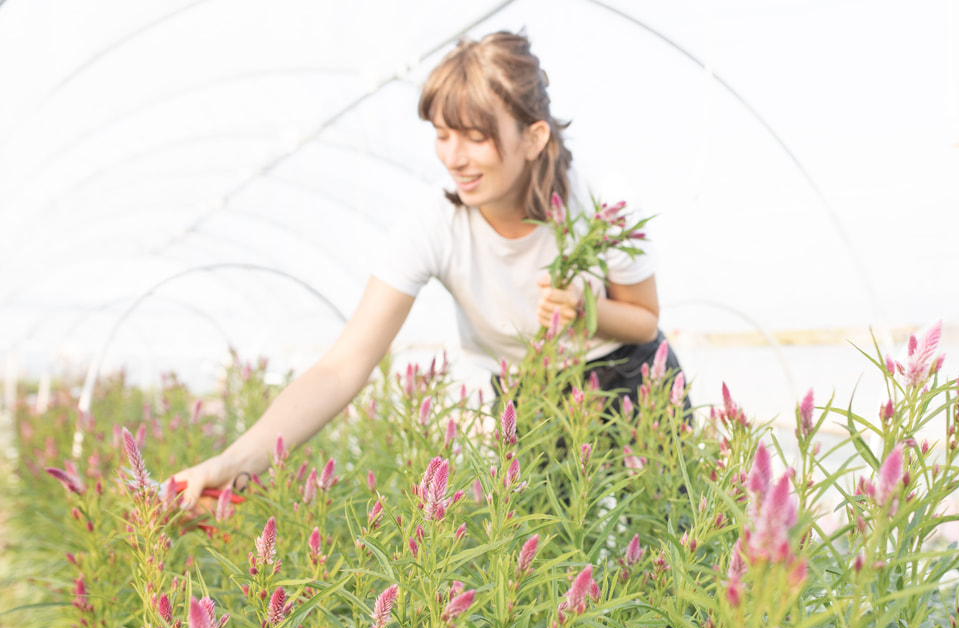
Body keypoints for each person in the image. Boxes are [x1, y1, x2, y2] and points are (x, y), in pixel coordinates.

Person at [173, 30, 683, 508]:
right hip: (532, 400)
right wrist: (232, 463)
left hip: (633, 377)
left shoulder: (600, 203)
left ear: (534, 137)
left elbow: (644, 318)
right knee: (560, 564)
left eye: (475, 137)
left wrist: (582, 309)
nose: (454, 158)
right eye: (442, 135)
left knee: (674, 540)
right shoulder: (434, 226)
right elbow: (342, 366)